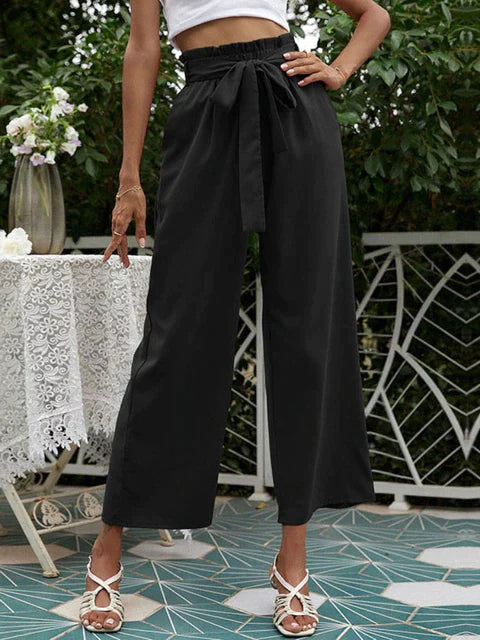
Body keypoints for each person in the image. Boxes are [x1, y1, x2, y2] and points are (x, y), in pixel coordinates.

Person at [79, 0, 390, 636]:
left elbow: (374, 15)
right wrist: (129, 177)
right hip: (205, 108)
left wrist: (338, 70)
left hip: (293, 103)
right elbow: (143, 49)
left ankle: (293, 561)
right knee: (176, 333)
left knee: (308, 329)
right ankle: (108, 545)